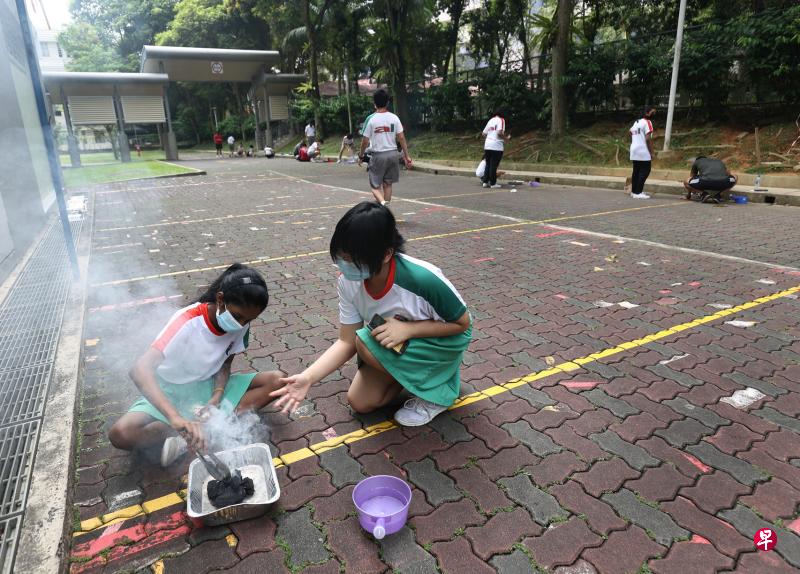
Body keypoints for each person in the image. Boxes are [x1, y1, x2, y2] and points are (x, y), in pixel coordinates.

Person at [270, 202, 471, 427]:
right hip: (399, 343)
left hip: (441, 342)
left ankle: (437, 393)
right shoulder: (348, 283)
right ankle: (416, 377)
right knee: (361, 402)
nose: (345, 265)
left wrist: (409, 329)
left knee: (365, 342)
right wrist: (308, 377)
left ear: (386, 254)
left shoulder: (423, 279)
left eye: (353, 258)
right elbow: (346, 341)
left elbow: (463, 324)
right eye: (341, 256)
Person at [108, 264, 283, 467]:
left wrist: (216, 397)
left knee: (279, 381)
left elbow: (225, 365)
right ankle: (193, 427)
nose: (241, 325)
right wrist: (174, 417)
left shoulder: (241, 323)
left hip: (207, 387)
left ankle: (204, 428)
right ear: (220, 300)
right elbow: (139, 370)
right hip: (171, 391)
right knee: (121, 433)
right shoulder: (187, 321)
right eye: (237, 317)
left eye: (249, 320)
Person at [358, 89, 412, 206]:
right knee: (388, 184)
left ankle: (382, 203)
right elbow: (401, 138)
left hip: (378, 155)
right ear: (388, 102)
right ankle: (385, 209)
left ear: (374, 103)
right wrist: (407, 156)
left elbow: (365, 141)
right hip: (393, 154)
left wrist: (361, 155)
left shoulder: (371, 119)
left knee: (374, 186)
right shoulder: (394, 118)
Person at [629, 106, 656, 199]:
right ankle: (638, 192)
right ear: (647, 113)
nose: (654, 114)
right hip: (643, 150)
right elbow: (648, 139)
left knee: (636, 171)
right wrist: (652, 152)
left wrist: (636, 139)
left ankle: (634, 192)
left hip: (634, 149)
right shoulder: (648, 122)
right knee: (645, 171)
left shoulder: (636, 122)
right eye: (653, 112)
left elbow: (630, 131)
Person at [481, 111, 510, 189]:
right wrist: (506, 139)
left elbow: (483, 133)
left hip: (487, 145)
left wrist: (490, 138)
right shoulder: (501, 120)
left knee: (488, 164)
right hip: (496, 146)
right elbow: (499, 133)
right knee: (493, 165)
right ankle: (493, 183)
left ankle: (485, 182)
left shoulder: (490, 120)